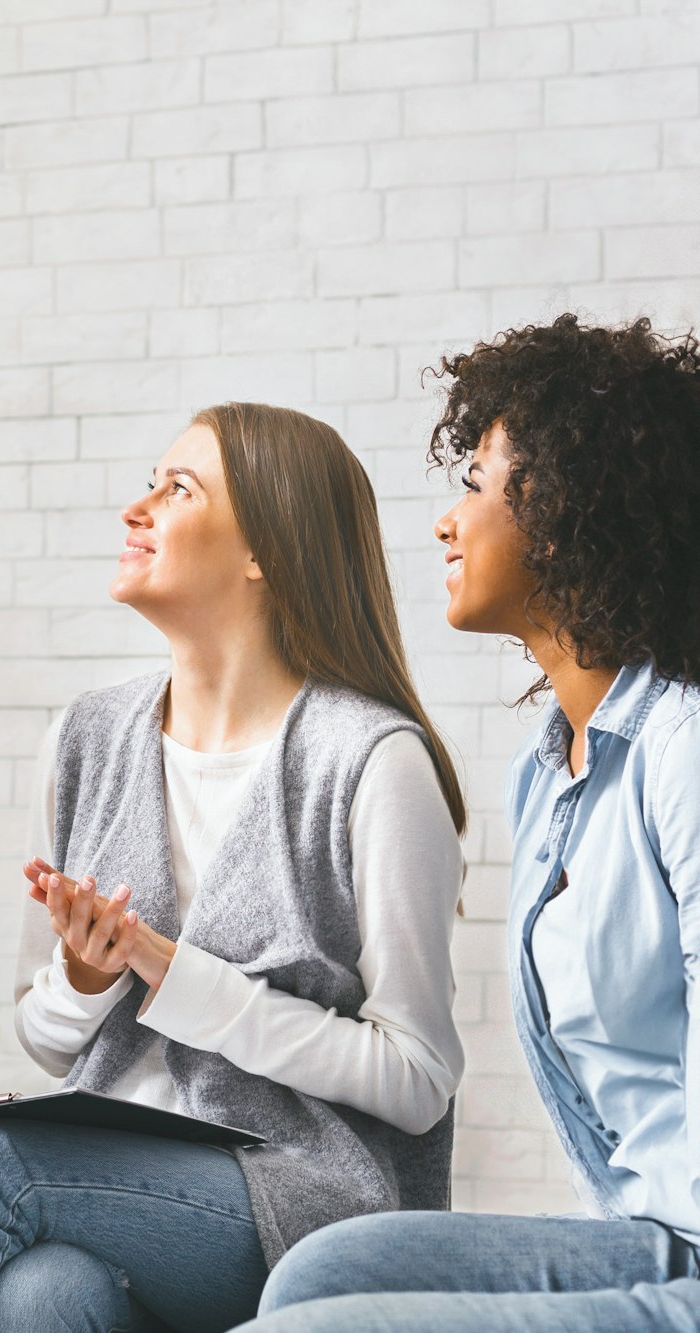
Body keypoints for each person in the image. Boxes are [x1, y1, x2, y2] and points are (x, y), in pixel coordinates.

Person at [0, 404, 468, 1333]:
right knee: (46, 1295)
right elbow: (45, 1036)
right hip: (115, 1183)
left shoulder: (372, 762)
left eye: (177, 488)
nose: (136, 508)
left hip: (302, 1200)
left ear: (264, 549)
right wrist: (82, 981)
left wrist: (185, 980)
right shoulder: (87, 737)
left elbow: (419, 1076)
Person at [245, 316, 700, 1331]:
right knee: (320, 1276)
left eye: (475, 483)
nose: (446, 523)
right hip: (647, 1229)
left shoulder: (684, 752)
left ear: (567, 511)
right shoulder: (549, 774)